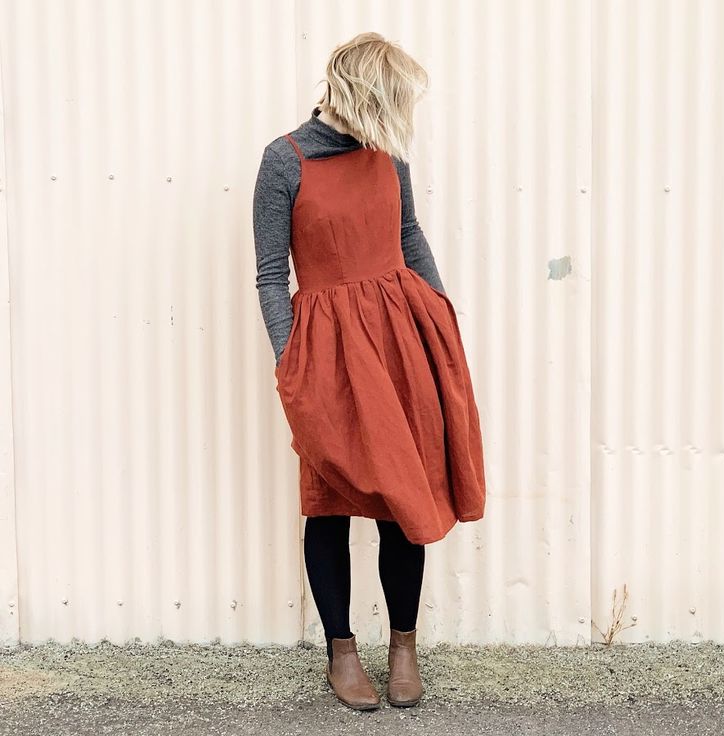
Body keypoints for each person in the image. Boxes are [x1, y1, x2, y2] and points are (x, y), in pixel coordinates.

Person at [252, 31, 486, 710]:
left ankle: (404, 649)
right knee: (328, 503)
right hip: (327, 351)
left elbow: (408, 237)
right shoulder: (284, 160)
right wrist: (291, 360)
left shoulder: (387, 153)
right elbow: (272, 275)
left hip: (400, 338)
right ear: (360, 92)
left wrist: (439, 315)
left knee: (398, 500)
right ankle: (342, 654)